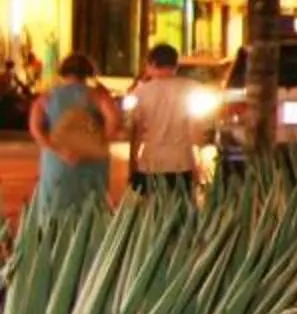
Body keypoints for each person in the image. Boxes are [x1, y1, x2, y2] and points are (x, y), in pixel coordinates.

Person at [27, 50, 122, 224]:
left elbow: (35, 129)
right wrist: (101, 140)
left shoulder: (47, 97)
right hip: (92, 159)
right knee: (91, 205)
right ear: (88, 72)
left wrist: (56, 149)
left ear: (63, 71)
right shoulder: (97, 95)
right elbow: (113, 120)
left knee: (55, 204)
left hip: (58, 159)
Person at [125, 41, 201, 199]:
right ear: (176, 65)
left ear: (152, 63)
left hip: (151, 163)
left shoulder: (141, 92)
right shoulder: (191, 89)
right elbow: (196, 132)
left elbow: (136, 131)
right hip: (182, 162)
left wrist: (132, 164)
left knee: (152, 210)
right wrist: (196, 166)